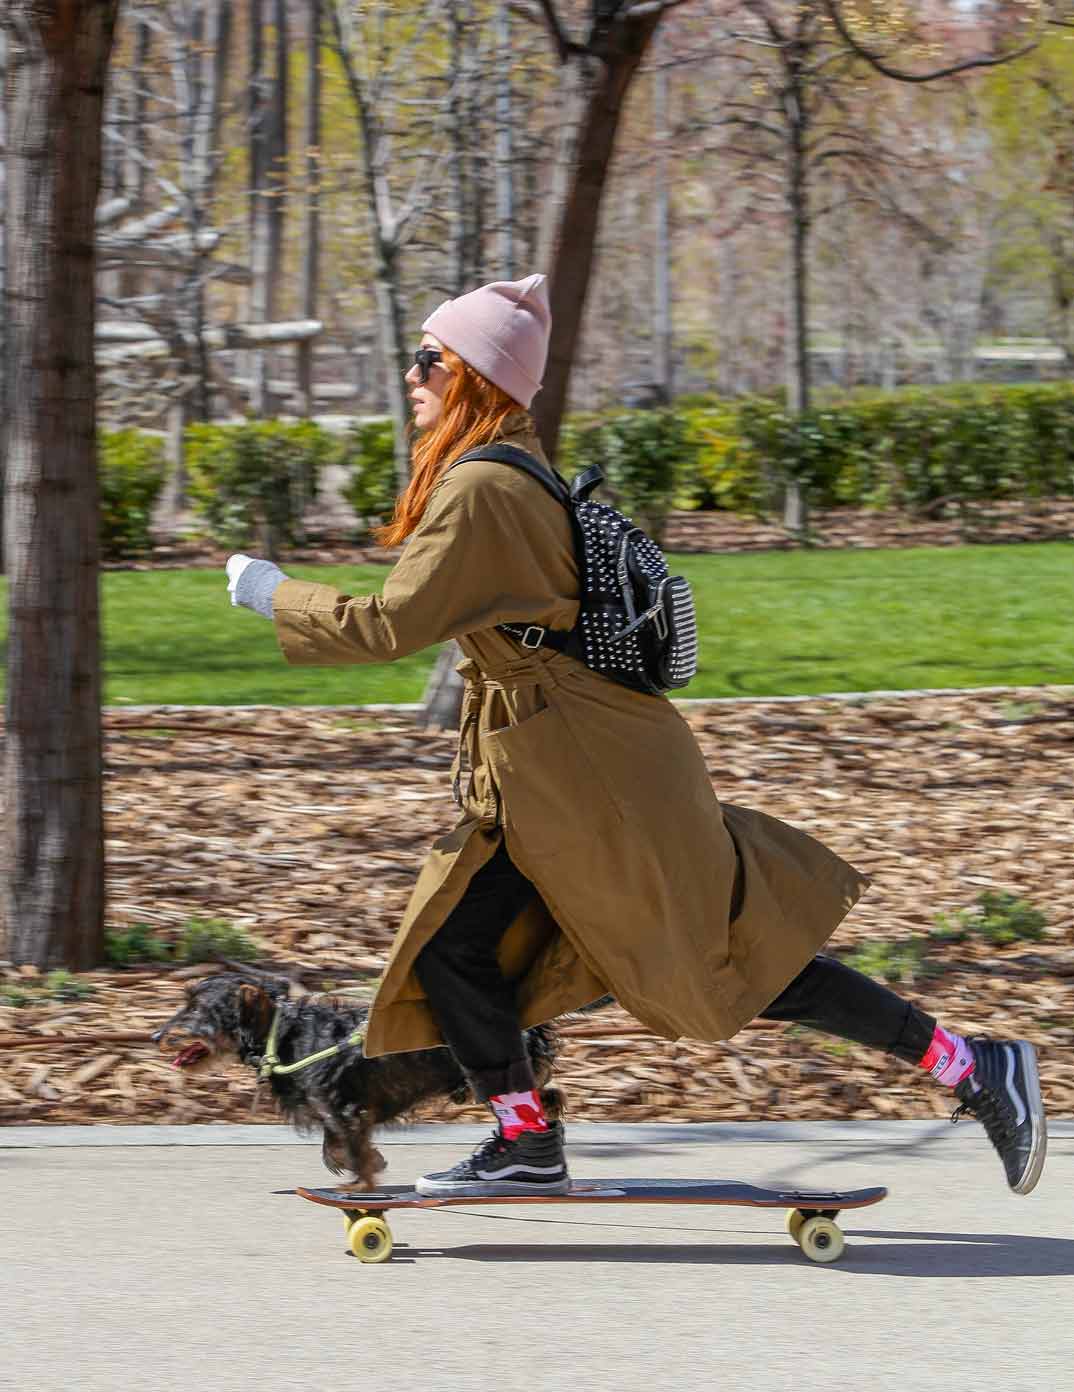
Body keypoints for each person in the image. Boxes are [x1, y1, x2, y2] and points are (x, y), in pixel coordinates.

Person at [226, 273, 1046, 1199]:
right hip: (555, 769)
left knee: (718, 965)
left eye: (430, 360)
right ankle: (525, 1140)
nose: (411, 375)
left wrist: (270, 592)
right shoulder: (499, 471)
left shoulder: (485, 487)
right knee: (459, 947)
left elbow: (387, 623)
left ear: (478, 378)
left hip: (590, 778)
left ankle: (973, 1067)